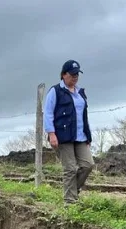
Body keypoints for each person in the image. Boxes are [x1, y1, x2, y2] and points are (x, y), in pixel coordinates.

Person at [44, 59, 94, 204]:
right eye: (72, 74)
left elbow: (84, 116)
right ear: (63, 75)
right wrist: (51, 133)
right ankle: (70, 202)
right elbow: (48, 113)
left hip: (80, 136)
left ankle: (72, 190)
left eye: (77, 74)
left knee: (88, 165)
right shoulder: (55, 91)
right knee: (70, 168)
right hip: (63, 136)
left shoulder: (80, 93)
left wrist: (88, 136)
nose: (75, 77)